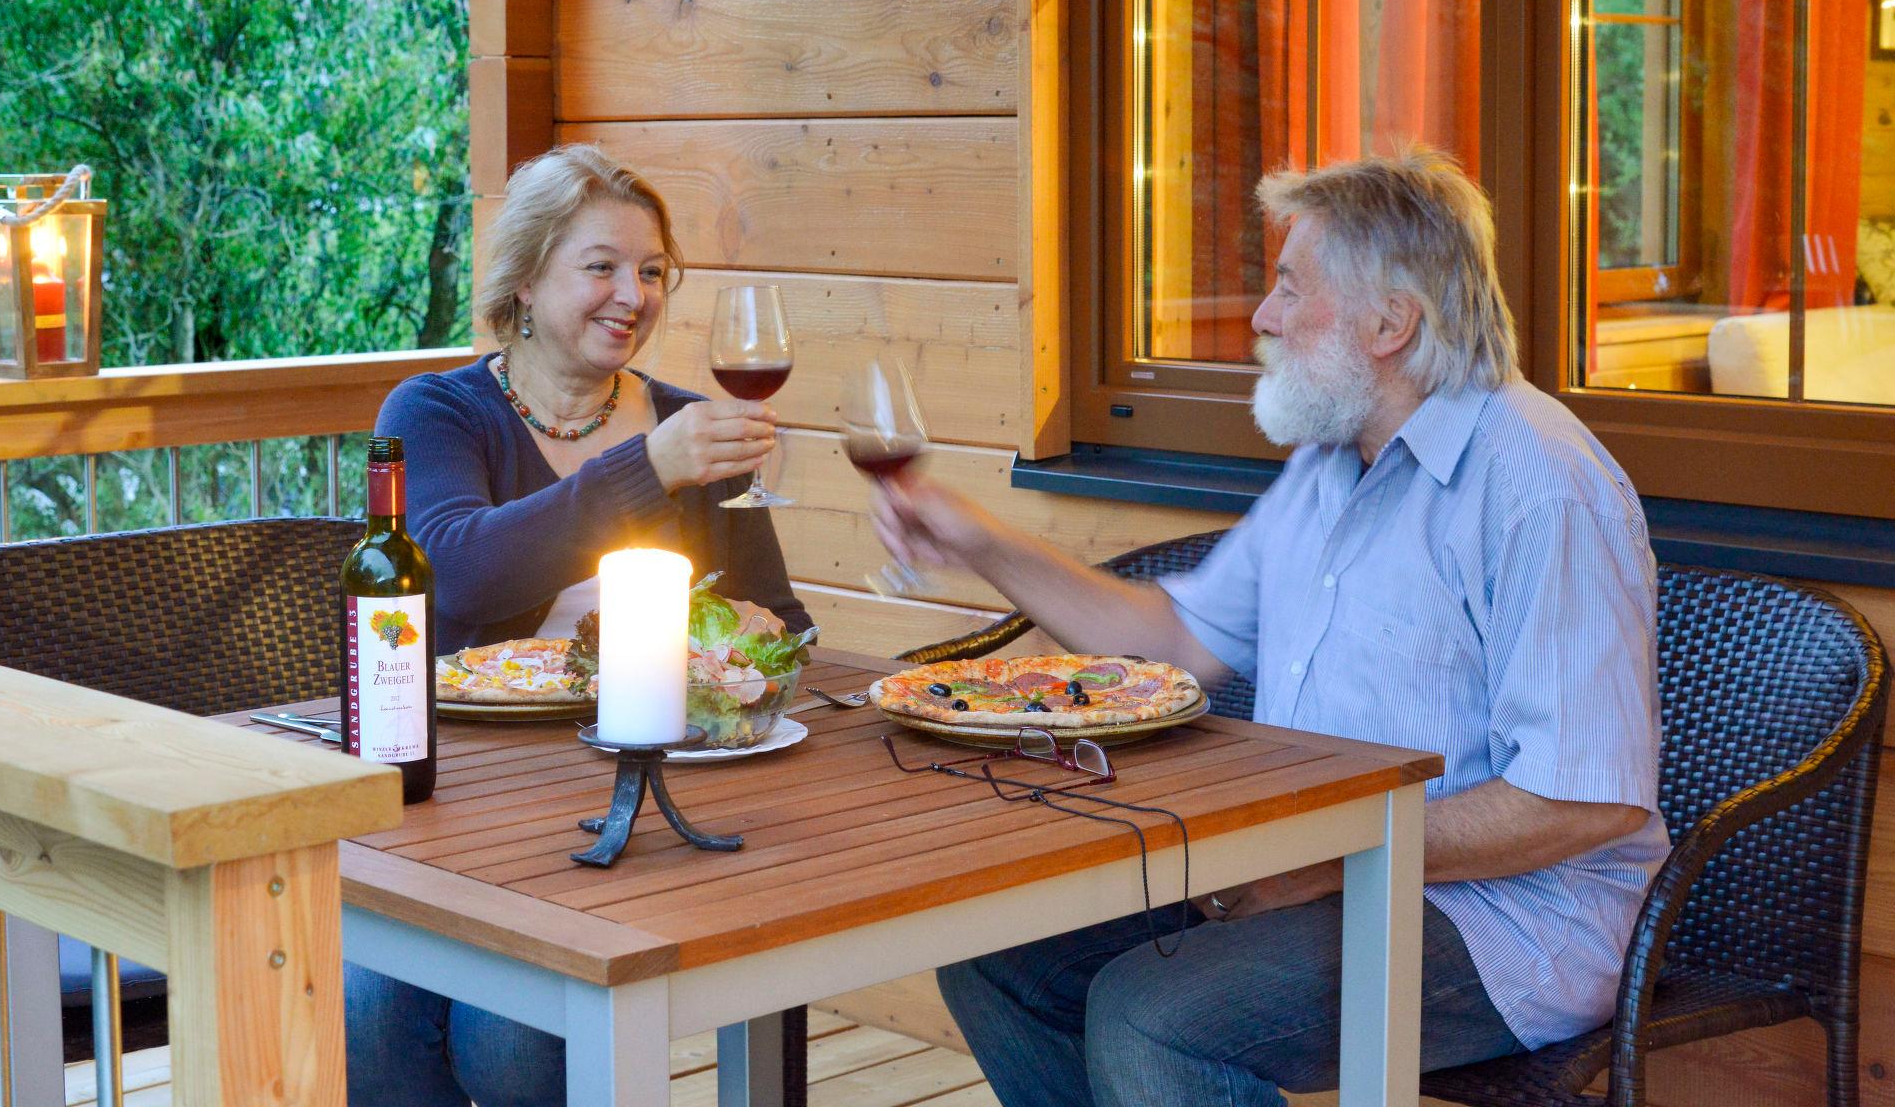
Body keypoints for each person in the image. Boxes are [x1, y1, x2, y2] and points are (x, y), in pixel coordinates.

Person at [869, 149, 1669, 1107]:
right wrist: (974, 536)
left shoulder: (1541, 483)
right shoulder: (1332, 463)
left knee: (1147, 1013)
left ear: (1391, 322)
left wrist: (1325, 861)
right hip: (1316, 868)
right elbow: (1170, 641)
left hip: (1508, 921)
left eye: (1290, 287)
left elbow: (1583, 800)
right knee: (1003, 959)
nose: (1261, 317)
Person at [345, 143, 809, 1107]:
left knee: (512, 1039)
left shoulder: (691, 426)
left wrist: (744, 641)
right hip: (465, 805)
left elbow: (784, 629)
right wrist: (649, 470)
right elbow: (453, 572)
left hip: (654, 803)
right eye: (600, 266)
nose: (630, 295)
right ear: (523, 278)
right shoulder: (438, 412)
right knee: (367, 1003)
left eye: (650, 272)